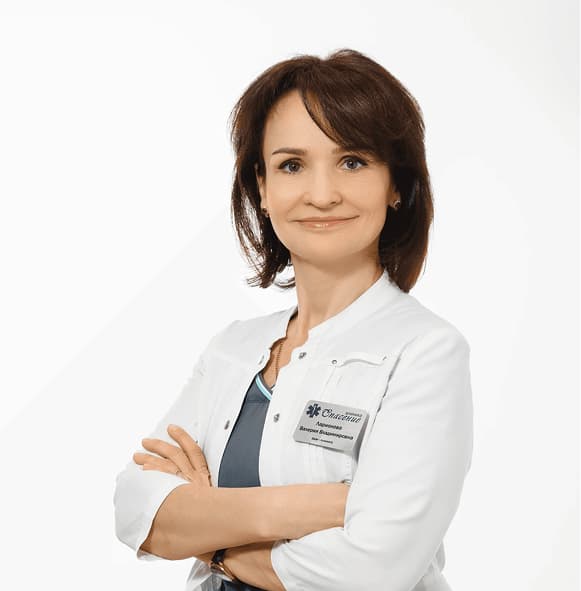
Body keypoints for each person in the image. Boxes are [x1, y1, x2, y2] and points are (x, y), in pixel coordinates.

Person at [113, 48, 473, 591]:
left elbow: (370, 571)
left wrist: (207, 531)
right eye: (291, 165)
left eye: (353, 162)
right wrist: (317, 506)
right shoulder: (232, 349)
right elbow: (135, 509)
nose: (322, 195)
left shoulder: (425, 352)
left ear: (395, 184)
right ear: (262, 187)